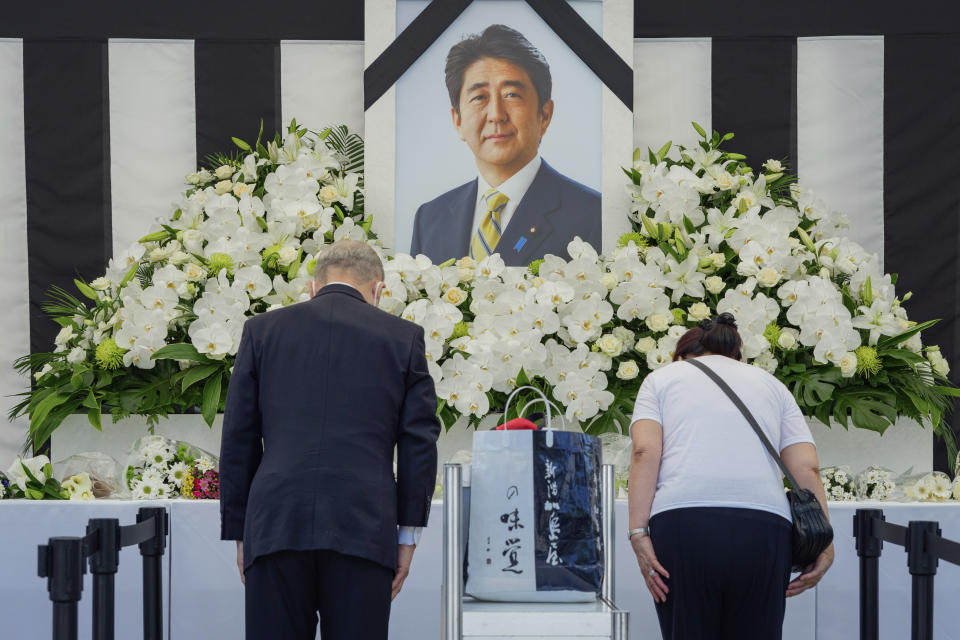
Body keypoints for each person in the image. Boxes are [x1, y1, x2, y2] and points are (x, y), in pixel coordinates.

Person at [219, 239, 442, 640]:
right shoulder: (403, 337)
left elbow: (239, 437)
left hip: (276, 524)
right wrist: (407, 537)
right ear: (378, 290)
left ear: (312, 287)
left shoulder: (262, 331)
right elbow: (418, 444)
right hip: (363, 525)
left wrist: (242, 533)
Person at [627, 313, 833, 639]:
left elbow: (644, 452)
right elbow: (807, 468)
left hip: (683, 524)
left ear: (682, 356)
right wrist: (824, 542)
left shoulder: (662, 379)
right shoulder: (772, 385)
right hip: (764, 527)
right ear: (739, 355)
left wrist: (638, 533)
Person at [409, 24, 601, 267]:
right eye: (479, 97)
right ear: (457, 120)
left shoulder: (593, 215)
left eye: (511, 94)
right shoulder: (429, 219)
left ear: (544, 115)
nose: (496, 115)